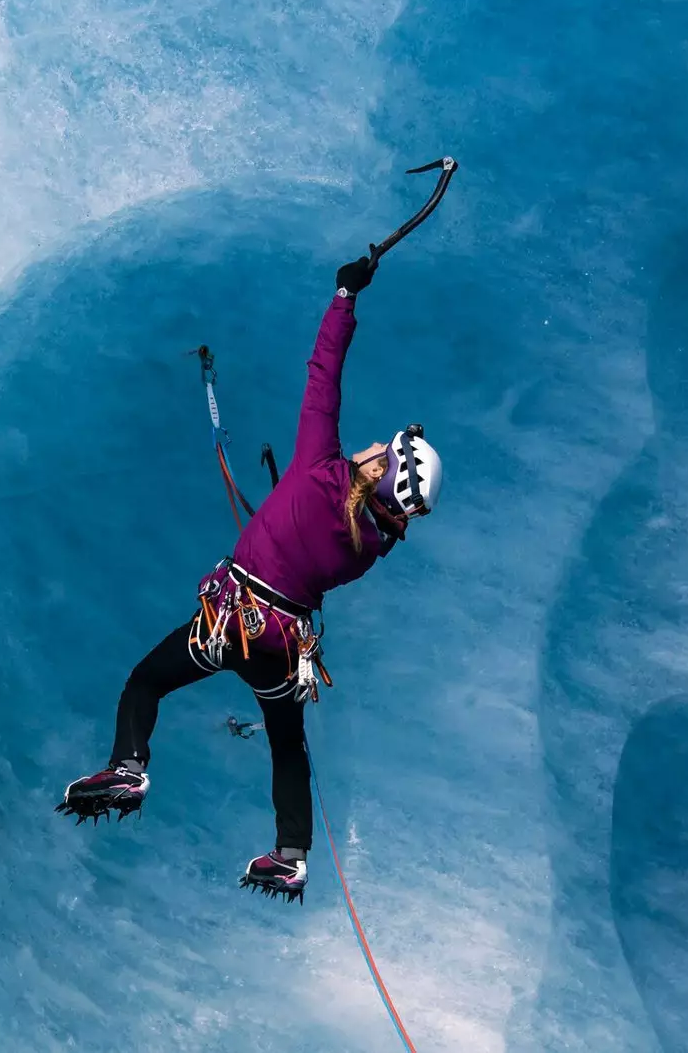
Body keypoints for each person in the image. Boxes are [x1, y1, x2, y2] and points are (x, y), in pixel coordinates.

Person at [54, 253, 444, 903]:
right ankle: (291, 855)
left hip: (230, 619)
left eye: (384, 448)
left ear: (383, 468)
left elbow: (325, 372)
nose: (374, 445)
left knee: (146, 681)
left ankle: (129, 766)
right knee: (287, 745)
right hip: (279, 644)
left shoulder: (320, 466)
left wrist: (345, 294)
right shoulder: (371, 544)